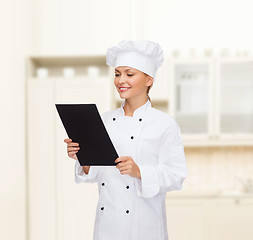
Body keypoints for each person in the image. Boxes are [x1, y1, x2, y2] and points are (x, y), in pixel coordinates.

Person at [64, 40, 187, 240]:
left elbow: (176, 176)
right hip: (107, 228)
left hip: (145, 228)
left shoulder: (165, 124)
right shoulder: (103, 120)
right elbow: (95, 173)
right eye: (117, 74)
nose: (121, 80)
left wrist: (139, 171)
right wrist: (82, 157)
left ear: (149, 79)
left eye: (129, 74)